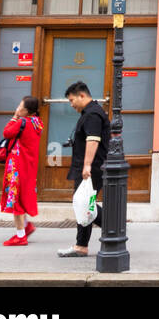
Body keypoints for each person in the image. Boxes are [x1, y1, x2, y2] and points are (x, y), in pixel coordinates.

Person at [57, 81, 110, 258]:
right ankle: (82, 245)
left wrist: (87, 165)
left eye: (72, 100)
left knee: (85, 204)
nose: (71, 104)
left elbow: (93, 140)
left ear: (82, 95)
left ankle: (113, 228)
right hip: (89, 167)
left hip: (91, 169)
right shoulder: (90, 112)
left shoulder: (93, 114)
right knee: (85, 204)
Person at [0, 96, 42, 247]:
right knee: (21, 197)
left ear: (25, 111)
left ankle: (20, 236)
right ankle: (26, 226)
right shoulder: (37, 123)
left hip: (18, 165)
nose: (17, 107)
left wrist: (14, 117)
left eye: (20, 106)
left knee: (15, 199)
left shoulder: (21, 122)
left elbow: (6, 132)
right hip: (28, 166)